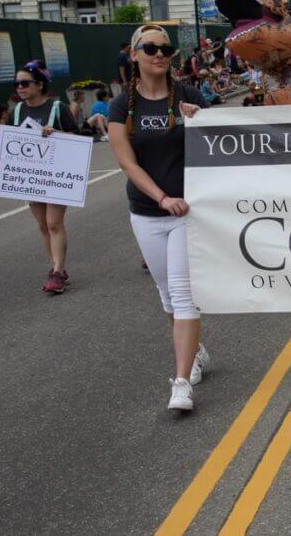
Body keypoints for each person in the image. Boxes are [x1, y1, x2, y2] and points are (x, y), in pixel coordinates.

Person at [107, 24, 209, 412]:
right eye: (149, 47)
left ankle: (181, 382)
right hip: (147, 212)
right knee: (167, 295)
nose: (159, 54)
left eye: (166, 49)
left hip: (188, 212)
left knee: (184, 296)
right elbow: (125, 161)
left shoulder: (190, 97)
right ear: (134, 54)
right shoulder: (122, 106)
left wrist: (199, 120)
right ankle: (195, 349)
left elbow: (219, 148)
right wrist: (160, 197)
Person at [6, 60, 79, 294]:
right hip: (31, 175)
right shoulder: (16, 111)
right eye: (16, 83)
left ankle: (58, 271)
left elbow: (77, 138)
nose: (19, 87)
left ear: (39, 84)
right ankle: (55, 266)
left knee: (53, 223)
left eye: (25, 83)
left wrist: (56, 134)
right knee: (42, 225)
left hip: (56, 173)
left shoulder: (58, 107)